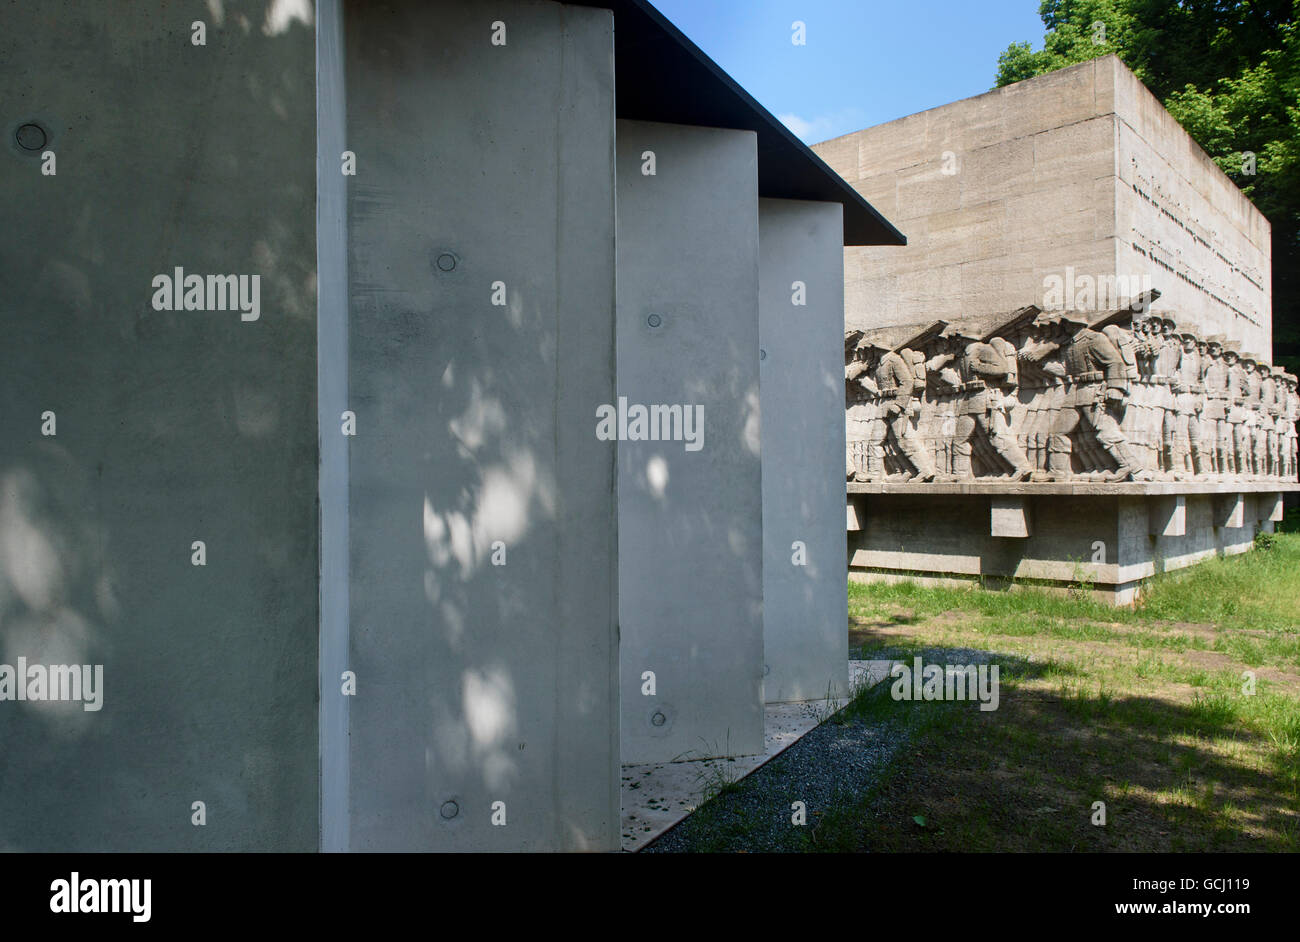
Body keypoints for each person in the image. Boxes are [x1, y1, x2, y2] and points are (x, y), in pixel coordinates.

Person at [1045, 313, 1153, 482]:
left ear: (1076, 323)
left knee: (1105, 431)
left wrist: (1115, 388)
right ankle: (1058, 472)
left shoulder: (1094, 339)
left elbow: (1114, 362)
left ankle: (1132, 468)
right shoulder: (1069, 344)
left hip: (1094, 389)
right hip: (1075, 390)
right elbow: (1066, 369)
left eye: (1067, 323)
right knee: (1057, 431)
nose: (1064, 326)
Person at [875, 346, 937, 481]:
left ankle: (925, 471)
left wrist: (899, 404)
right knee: (892, 441)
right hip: (886, 404)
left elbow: (907, 381)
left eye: (874, 347)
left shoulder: (894, 360)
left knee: (904, 439)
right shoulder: (881, 362)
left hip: (897, 405)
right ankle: (908, 470)